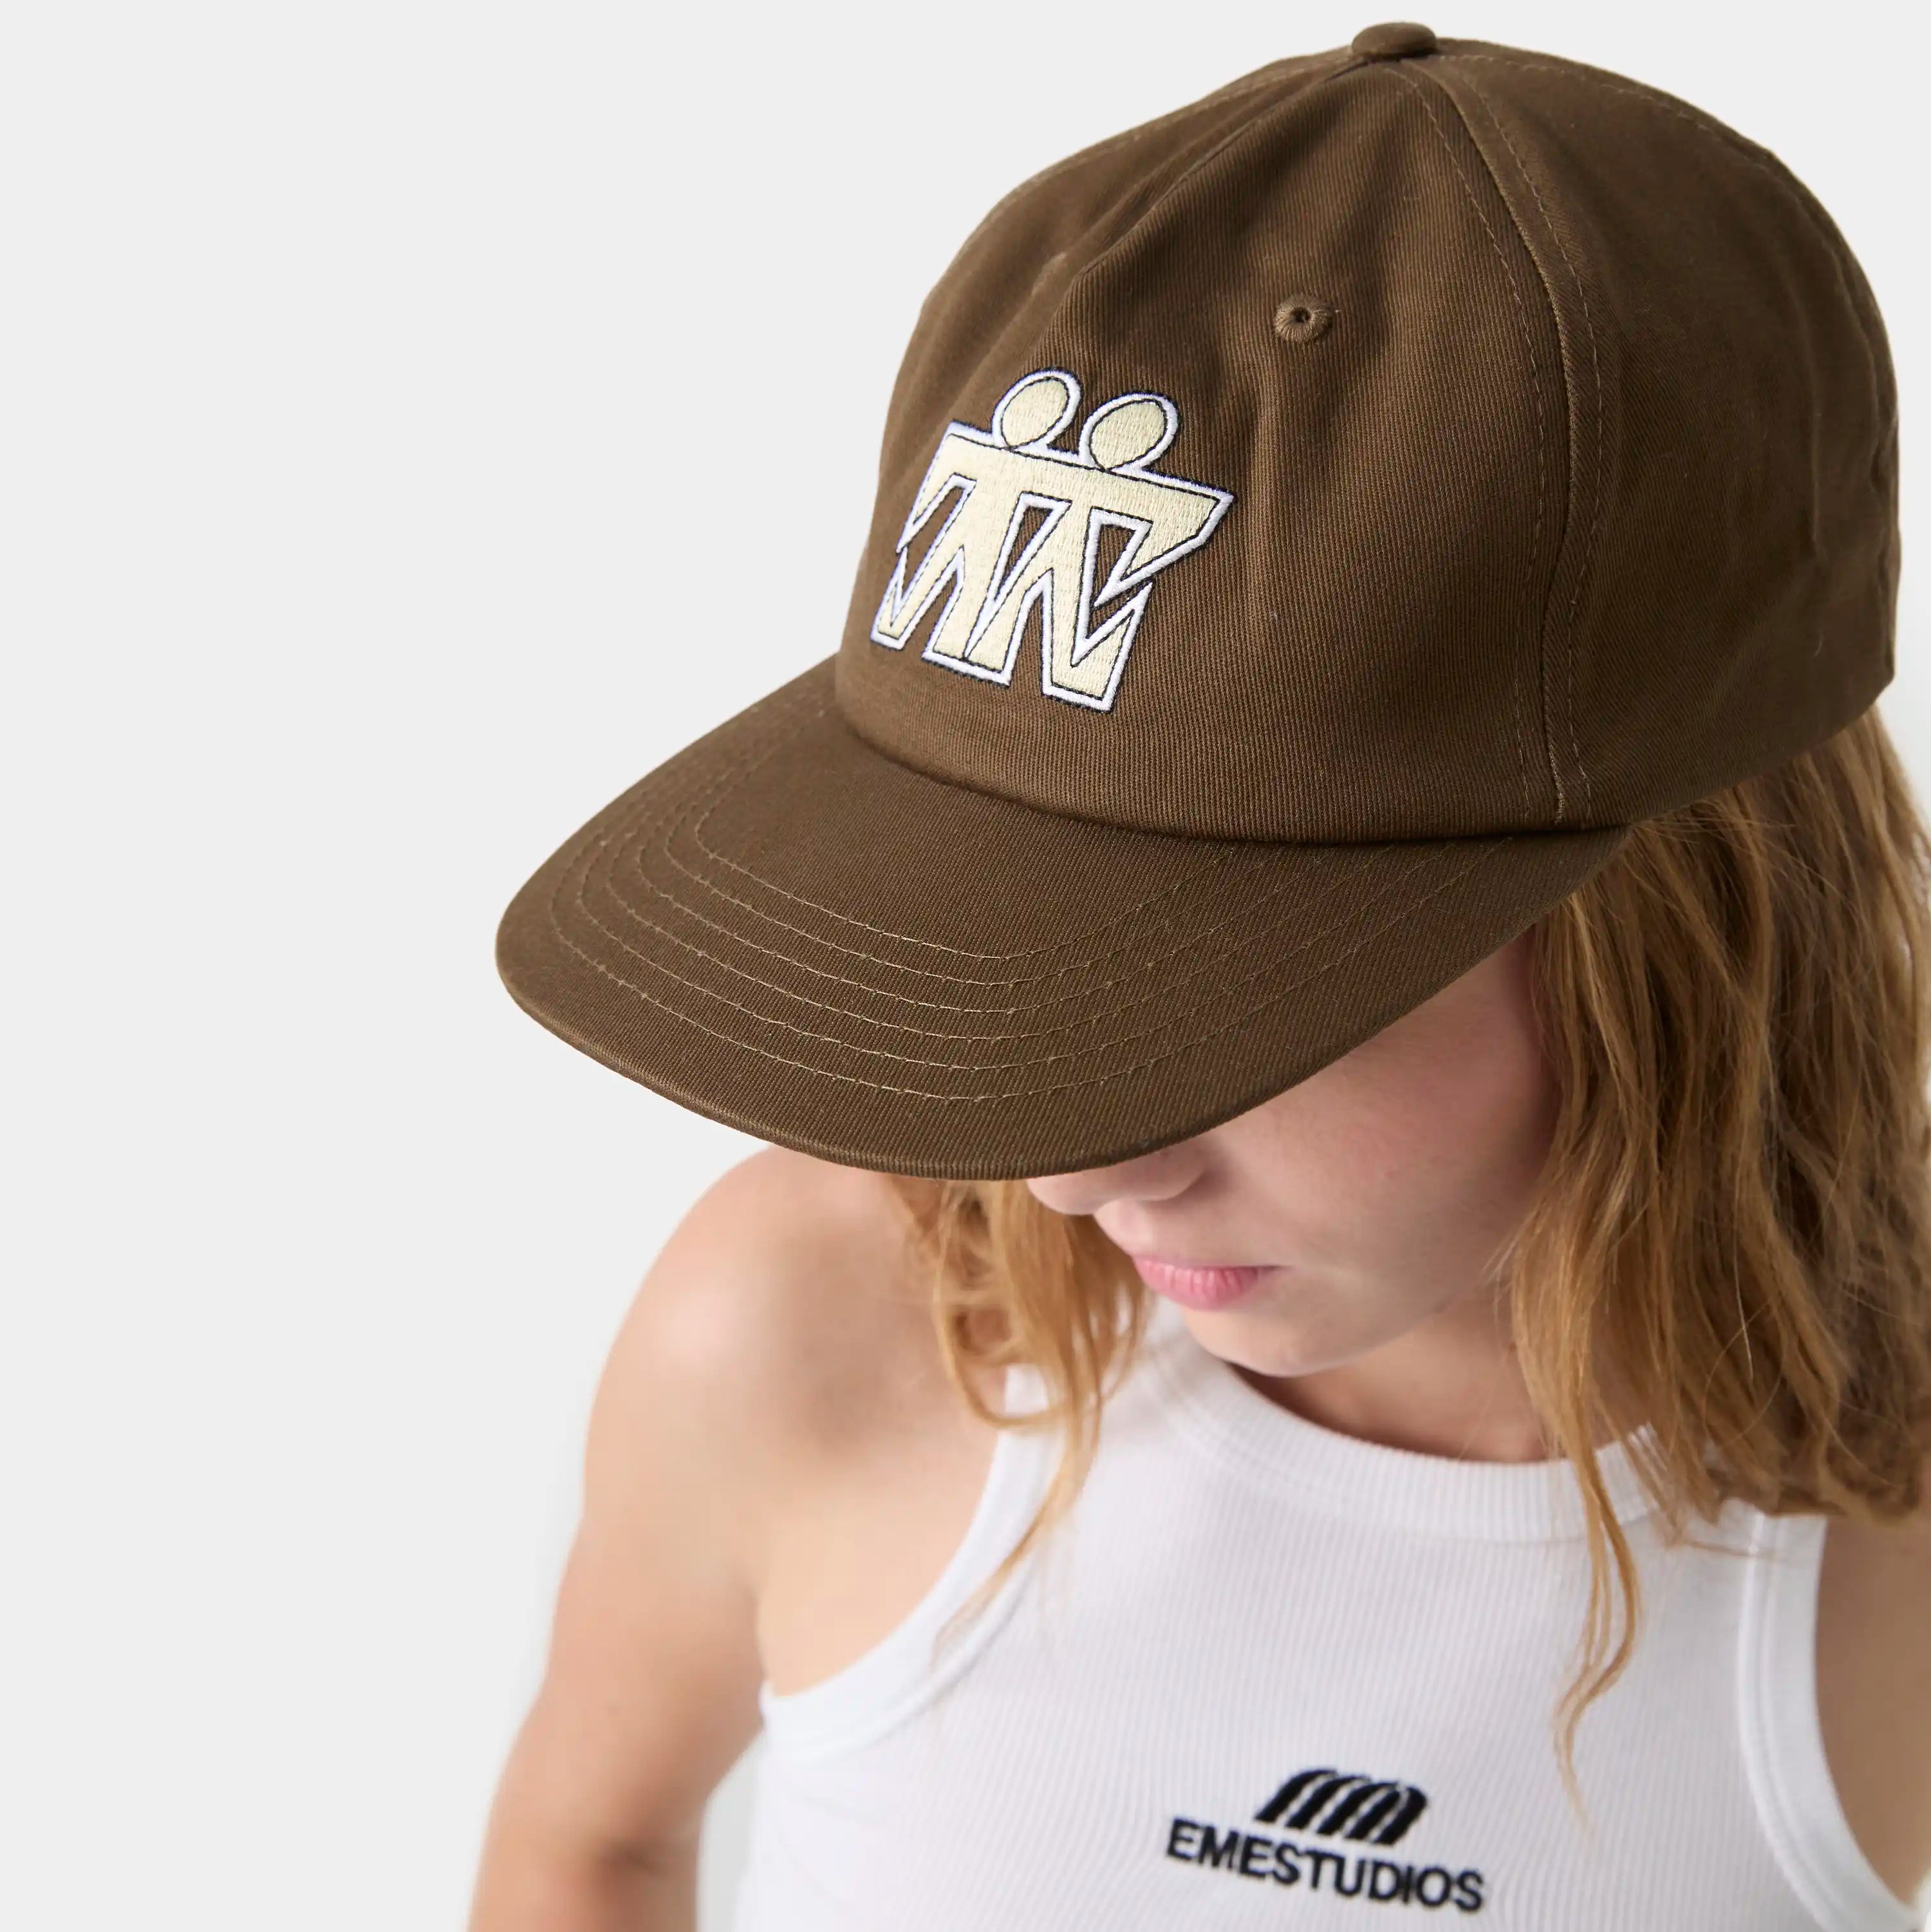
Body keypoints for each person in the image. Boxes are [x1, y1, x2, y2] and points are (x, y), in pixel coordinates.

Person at [467, 22, 1931, 1931]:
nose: (1076, 1171)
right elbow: (591, 1841)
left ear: (1684, 918)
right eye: (1017, 929)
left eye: (1241, 1001)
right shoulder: (802, 1319)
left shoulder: (1884, 1521)